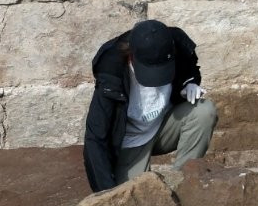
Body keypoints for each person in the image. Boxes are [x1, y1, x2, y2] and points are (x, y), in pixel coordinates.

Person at [83, 19, 218, 192]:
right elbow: (95, 138)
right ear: (131, 56)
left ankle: (185, 184)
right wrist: (105, 194)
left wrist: (189, 82)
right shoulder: (112, 74)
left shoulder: (176, 46)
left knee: (204, 111)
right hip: (130, 143)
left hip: (163, 129)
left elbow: (189, 65)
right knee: (136, 200)